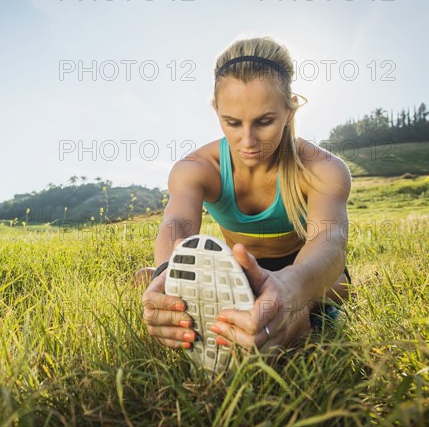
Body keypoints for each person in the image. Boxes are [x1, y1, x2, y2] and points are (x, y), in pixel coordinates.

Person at [139, 36, 352, 358]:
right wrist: (166, 274)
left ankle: (297, 316)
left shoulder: (324, 168)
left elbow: (329, 242)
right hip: (238, 269)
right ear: (216, 110)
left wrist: (288, 288)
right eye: (232, 123)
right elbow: (178, 224)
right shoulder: (195, 169)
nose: (248, 141)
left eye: (265, 122)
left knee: (329, 297)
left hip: (308, 269)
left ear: (289, 109)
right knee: (154, 278)